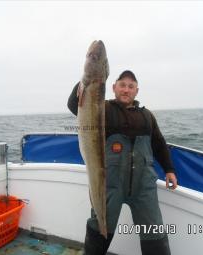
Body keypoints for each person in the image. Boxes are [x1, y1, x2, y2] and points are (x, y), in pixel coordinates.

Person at [67, 70, 178, 255]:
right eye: (122, 85)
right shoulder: (102, 109)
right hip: (110, 183)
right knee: (99, 228)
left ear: (136, 91)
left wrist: (169, 169)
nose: (126, 90)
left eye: (130, 86)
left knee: (154, 233)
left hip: (143, 185)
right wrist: (87, 79)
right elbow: (74, 104)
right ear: (114, 87)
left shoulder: (147, 116)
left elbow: (158, 143)